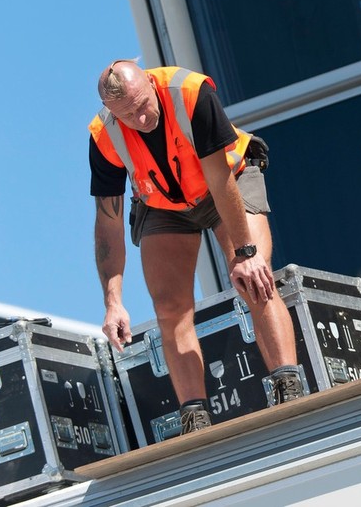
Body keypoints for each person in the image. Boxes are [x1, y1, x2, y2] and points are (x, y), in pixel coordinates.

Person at [89, 59, 303, 435]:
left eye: (142, 106)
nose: (140, 120)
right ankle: (195, 417)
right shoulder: (103, 135)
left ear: (151, 85)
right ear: (112, 112)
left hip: (227, 181)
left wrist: (246, 253)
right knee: (169, 307)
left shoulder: (190, 92)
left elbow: (220, 181)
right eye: (128, 115)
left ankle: (289, 386)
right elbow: (108, 223)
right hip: (163, 203)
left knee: (255, 279)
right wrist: (113, 300)